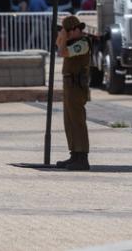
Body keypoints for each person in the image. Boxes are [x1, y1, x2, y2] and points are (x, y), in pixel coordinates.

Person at [55, 15, 91, 171]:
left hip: (77, 86)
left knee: (77, 122)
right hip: (70, 85)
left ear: (76, 30)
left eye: (68, 32)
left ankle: (82, 158)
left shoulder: (83, 44)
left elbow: (62, 53)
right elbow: (59, 46)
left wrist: (63, 38)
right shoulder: (72, 42)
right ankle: (75, 154)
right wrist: (62, 37)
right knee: (69, 122)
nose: (66, 35)